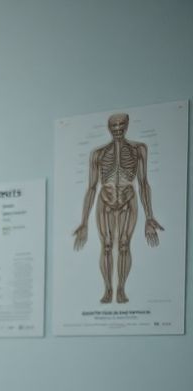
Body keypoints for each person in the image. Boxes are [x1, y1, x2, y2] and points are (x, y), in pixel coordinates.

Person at [72, 112, 163, 304]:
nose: (118, 130)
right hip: (105, 200)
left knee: (123, 244)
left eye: (122, 125)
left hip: (128, 199)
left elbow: (143, 182)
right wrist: (84, 222)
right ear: (108, 128)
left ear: (128, 125)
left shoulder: (139, 149)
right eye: (114, 126)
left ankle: (121, 289)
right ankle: (107, 289)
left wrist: (149, 216)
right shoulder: (98, 154)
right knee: (105, 245)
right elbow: (91, 187)